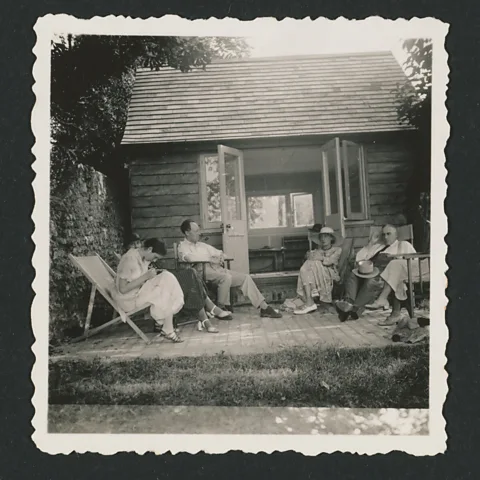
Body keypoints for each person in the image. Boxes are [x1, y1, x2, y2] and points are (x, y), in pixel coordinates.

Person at [177, 220, 282, 318]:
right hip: (201, 271)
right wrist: (210, 259)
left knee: (245, 278)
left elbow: (220, 253)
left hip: (217, 269)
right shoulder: (183, 247)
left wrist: (220, 257)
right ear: (187, 232)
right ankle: (221, 307)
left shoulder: (203, 246)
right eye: (196, 231)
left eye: (199, 230)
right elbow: (190, 258)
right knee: (226, 277)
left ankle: (264, 307)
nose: (199, 233)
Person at [336, 224, 416, 325]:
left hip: (387, 275)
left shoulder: (403, 245)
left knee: (371, 282)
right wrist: (370, 244)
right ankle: (349, 302)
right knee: (353, 274)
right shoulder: (378, 247)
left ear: (396, 235)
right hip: (370, 271)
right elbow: (359, 258)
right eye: (383, 234)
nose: (385, 237)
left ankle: (353, 308)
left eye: (388, 234)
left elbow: (413, 262)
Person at [294, 226, 342, 314]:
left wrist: (319, 258)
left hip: (329, 273)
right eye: (321, 236)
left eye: (326, 236)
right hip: (315, 273)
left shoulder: (337, 250)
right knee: (308, 263)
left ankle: (311, 296)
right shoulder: (317, 250)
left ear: (331, 238)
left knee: (314, 262)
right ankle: (311, 297)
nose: (323, 239)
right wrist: (309, 256)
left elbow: (330, 261)